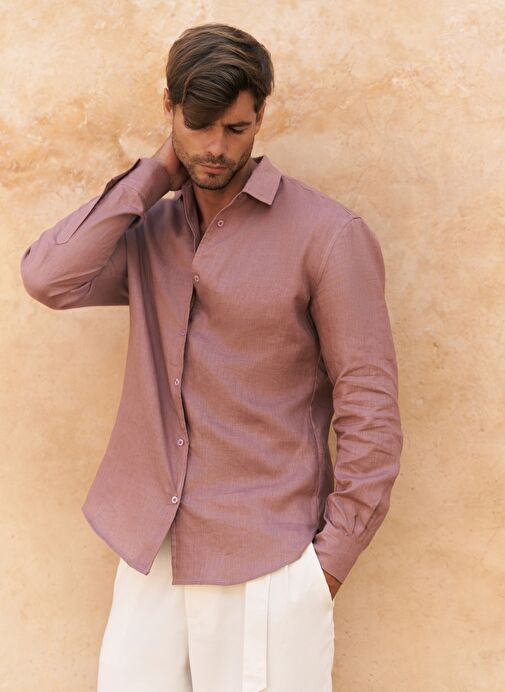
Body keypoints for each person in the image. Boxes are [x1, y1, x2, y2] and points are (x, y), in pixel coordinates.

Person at [20, 22, 403, 692]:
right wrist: (154, 175)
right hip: (150, 552)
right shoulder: (150, 233)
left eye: (235, 128)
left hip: (267, 563)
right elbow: (48, 278)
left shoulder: (328, 236)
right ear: (168, 107)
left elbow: (370, 410)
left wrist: (324, 571)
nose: (217, 148)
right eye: (198, 126)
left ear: (261, 115)